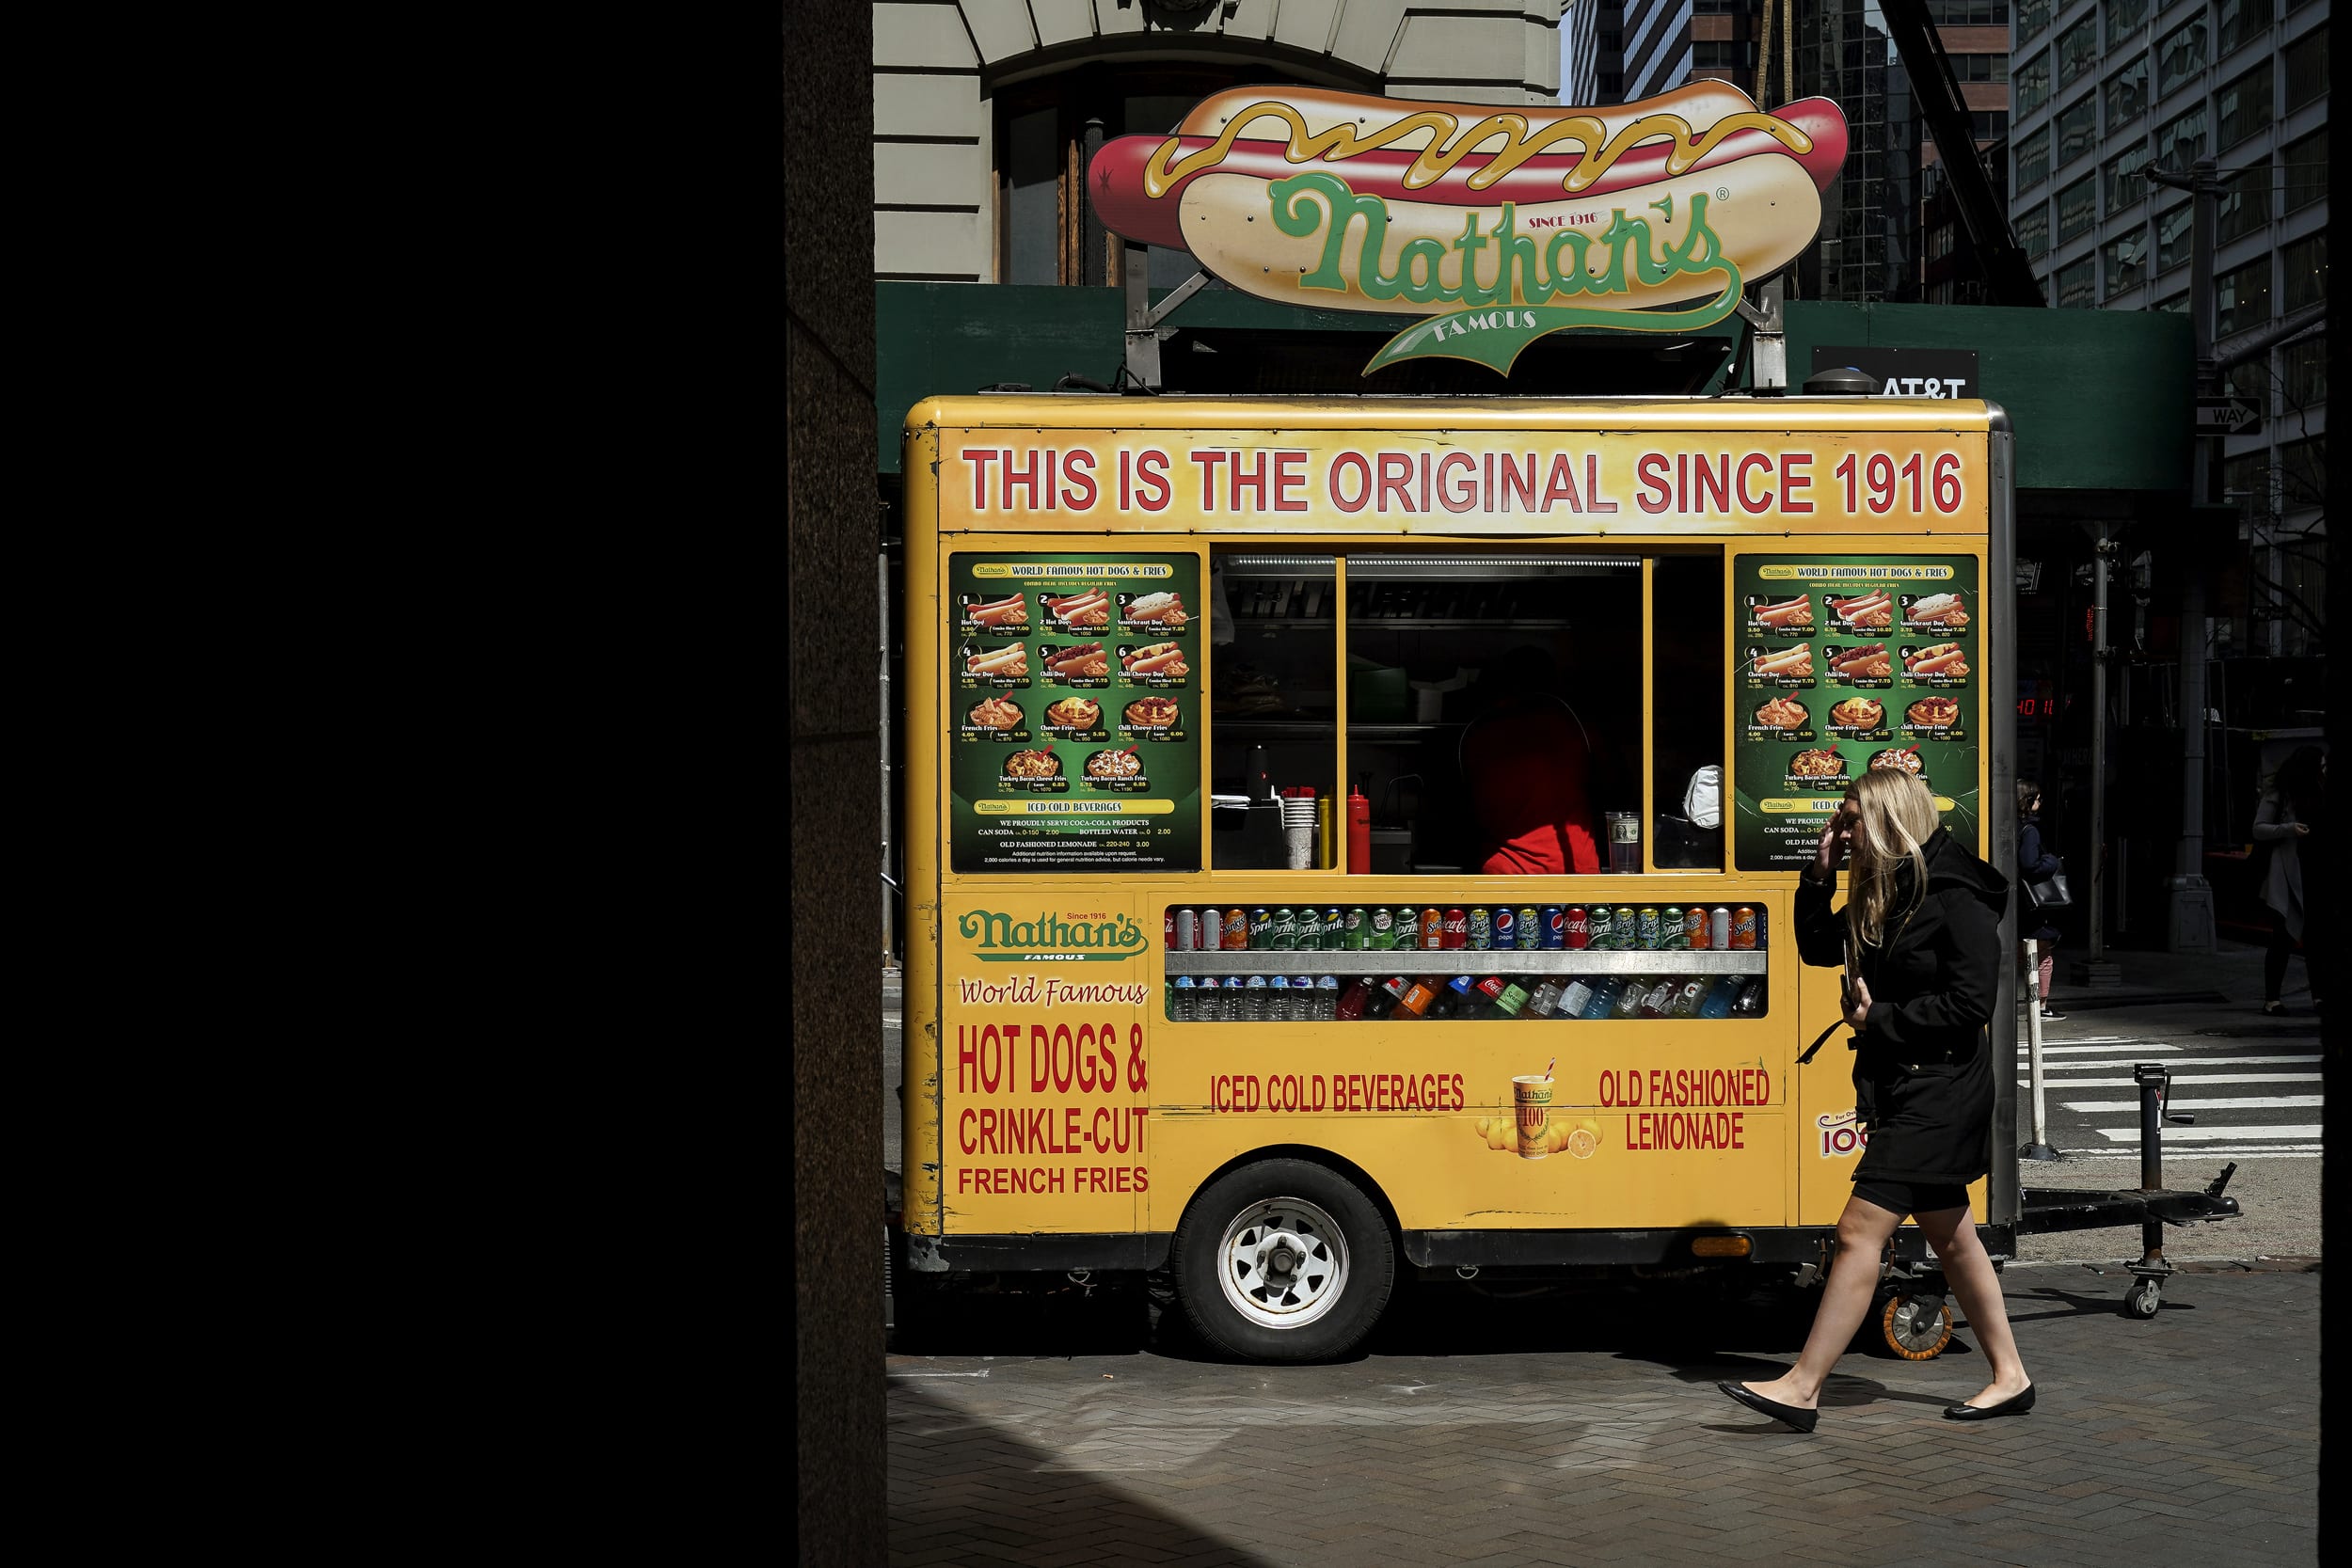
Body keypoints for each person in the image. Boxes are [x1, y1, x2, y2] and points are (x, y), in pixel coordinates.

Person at [1717, 772, 2034, 1431]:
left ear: (1889, 820)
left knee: (1858, 1230)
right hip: (1905, 1081)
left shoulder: (1956, 898)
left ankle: (1803, 1386)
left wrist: (1879, 1017)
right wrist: (1818, 874)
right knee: (1952, 1235)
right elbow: (1813, 947)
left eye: (1852, 819)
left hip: (1942, 1086)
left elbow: (1972, 1005)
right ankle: (2011, 1375)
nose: (1843, 829)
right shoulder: (1887, 892)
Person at [1458, 646, 1603, 875]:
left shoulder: (1478, 733)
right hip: (1574, 870)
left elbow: (1464, 806)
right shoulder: (1577, 726)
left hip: (1505, 872)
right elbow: (1611, 790)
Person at [2253, 746, 2326, 1016]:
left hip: (2315, 872)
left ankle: (2319, 996)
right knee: (2282, 937)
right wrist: (2289, 829)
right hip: (2288, 872)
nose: (2324, 769)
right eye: (2320, 765)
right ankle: (2272, 999)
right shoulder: (2280, 793)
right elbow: (2258, 829)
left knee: (2317, 938)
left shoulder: (2320, 790)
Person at [2016, 780, 2065, 1022]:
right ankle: (2040, 1004)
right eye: (2036, 798)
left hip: (2011, 901)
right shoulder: (2030, 830)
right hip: (2029, 904)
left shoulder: (2003, 824)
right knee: (2041, 953)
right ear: (2027, 802)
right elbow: (2030, 865)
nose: (2039, 802)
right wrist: (2052, 862)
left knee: (2018, 952)